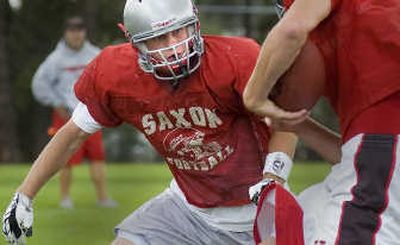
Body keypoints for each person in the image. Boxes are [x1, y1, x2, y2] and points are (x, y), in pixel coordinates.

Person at [2, 0, 307, 244]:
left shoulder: (235, 57)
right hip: (187, 209)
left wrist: (274, 178)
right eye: (160, 37)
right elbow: (72, 134)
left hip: (257, 208)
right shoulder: (116, 73)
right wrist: (25, 195)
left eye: (180, 31)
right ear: (135, 43)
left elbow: (285, 121)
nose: (175, 46)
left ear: (195, 25)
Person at [243, 0, 400, 243]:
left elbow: (292, 30)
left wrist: (254, 96)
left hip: (383, 142)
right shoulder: (371, 40)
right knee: (295, 224)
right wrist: (297, 125)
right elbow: (361, 160)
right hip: (379, 149)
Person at [31, 16, 116, 208]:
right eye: (72, 31)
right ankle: (65, 199)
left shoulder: (95, 54)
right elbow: (39, 84)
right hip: (65, 114)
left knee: (97, 156)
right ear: (65, 33)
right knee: (65, 157)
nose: (76, 35)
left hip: (91, 113)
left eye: (79, 30)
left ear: (84, 32)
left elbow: (108, 77)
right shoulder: (55, 59)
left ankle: (103, 199)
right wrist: (55, 102)